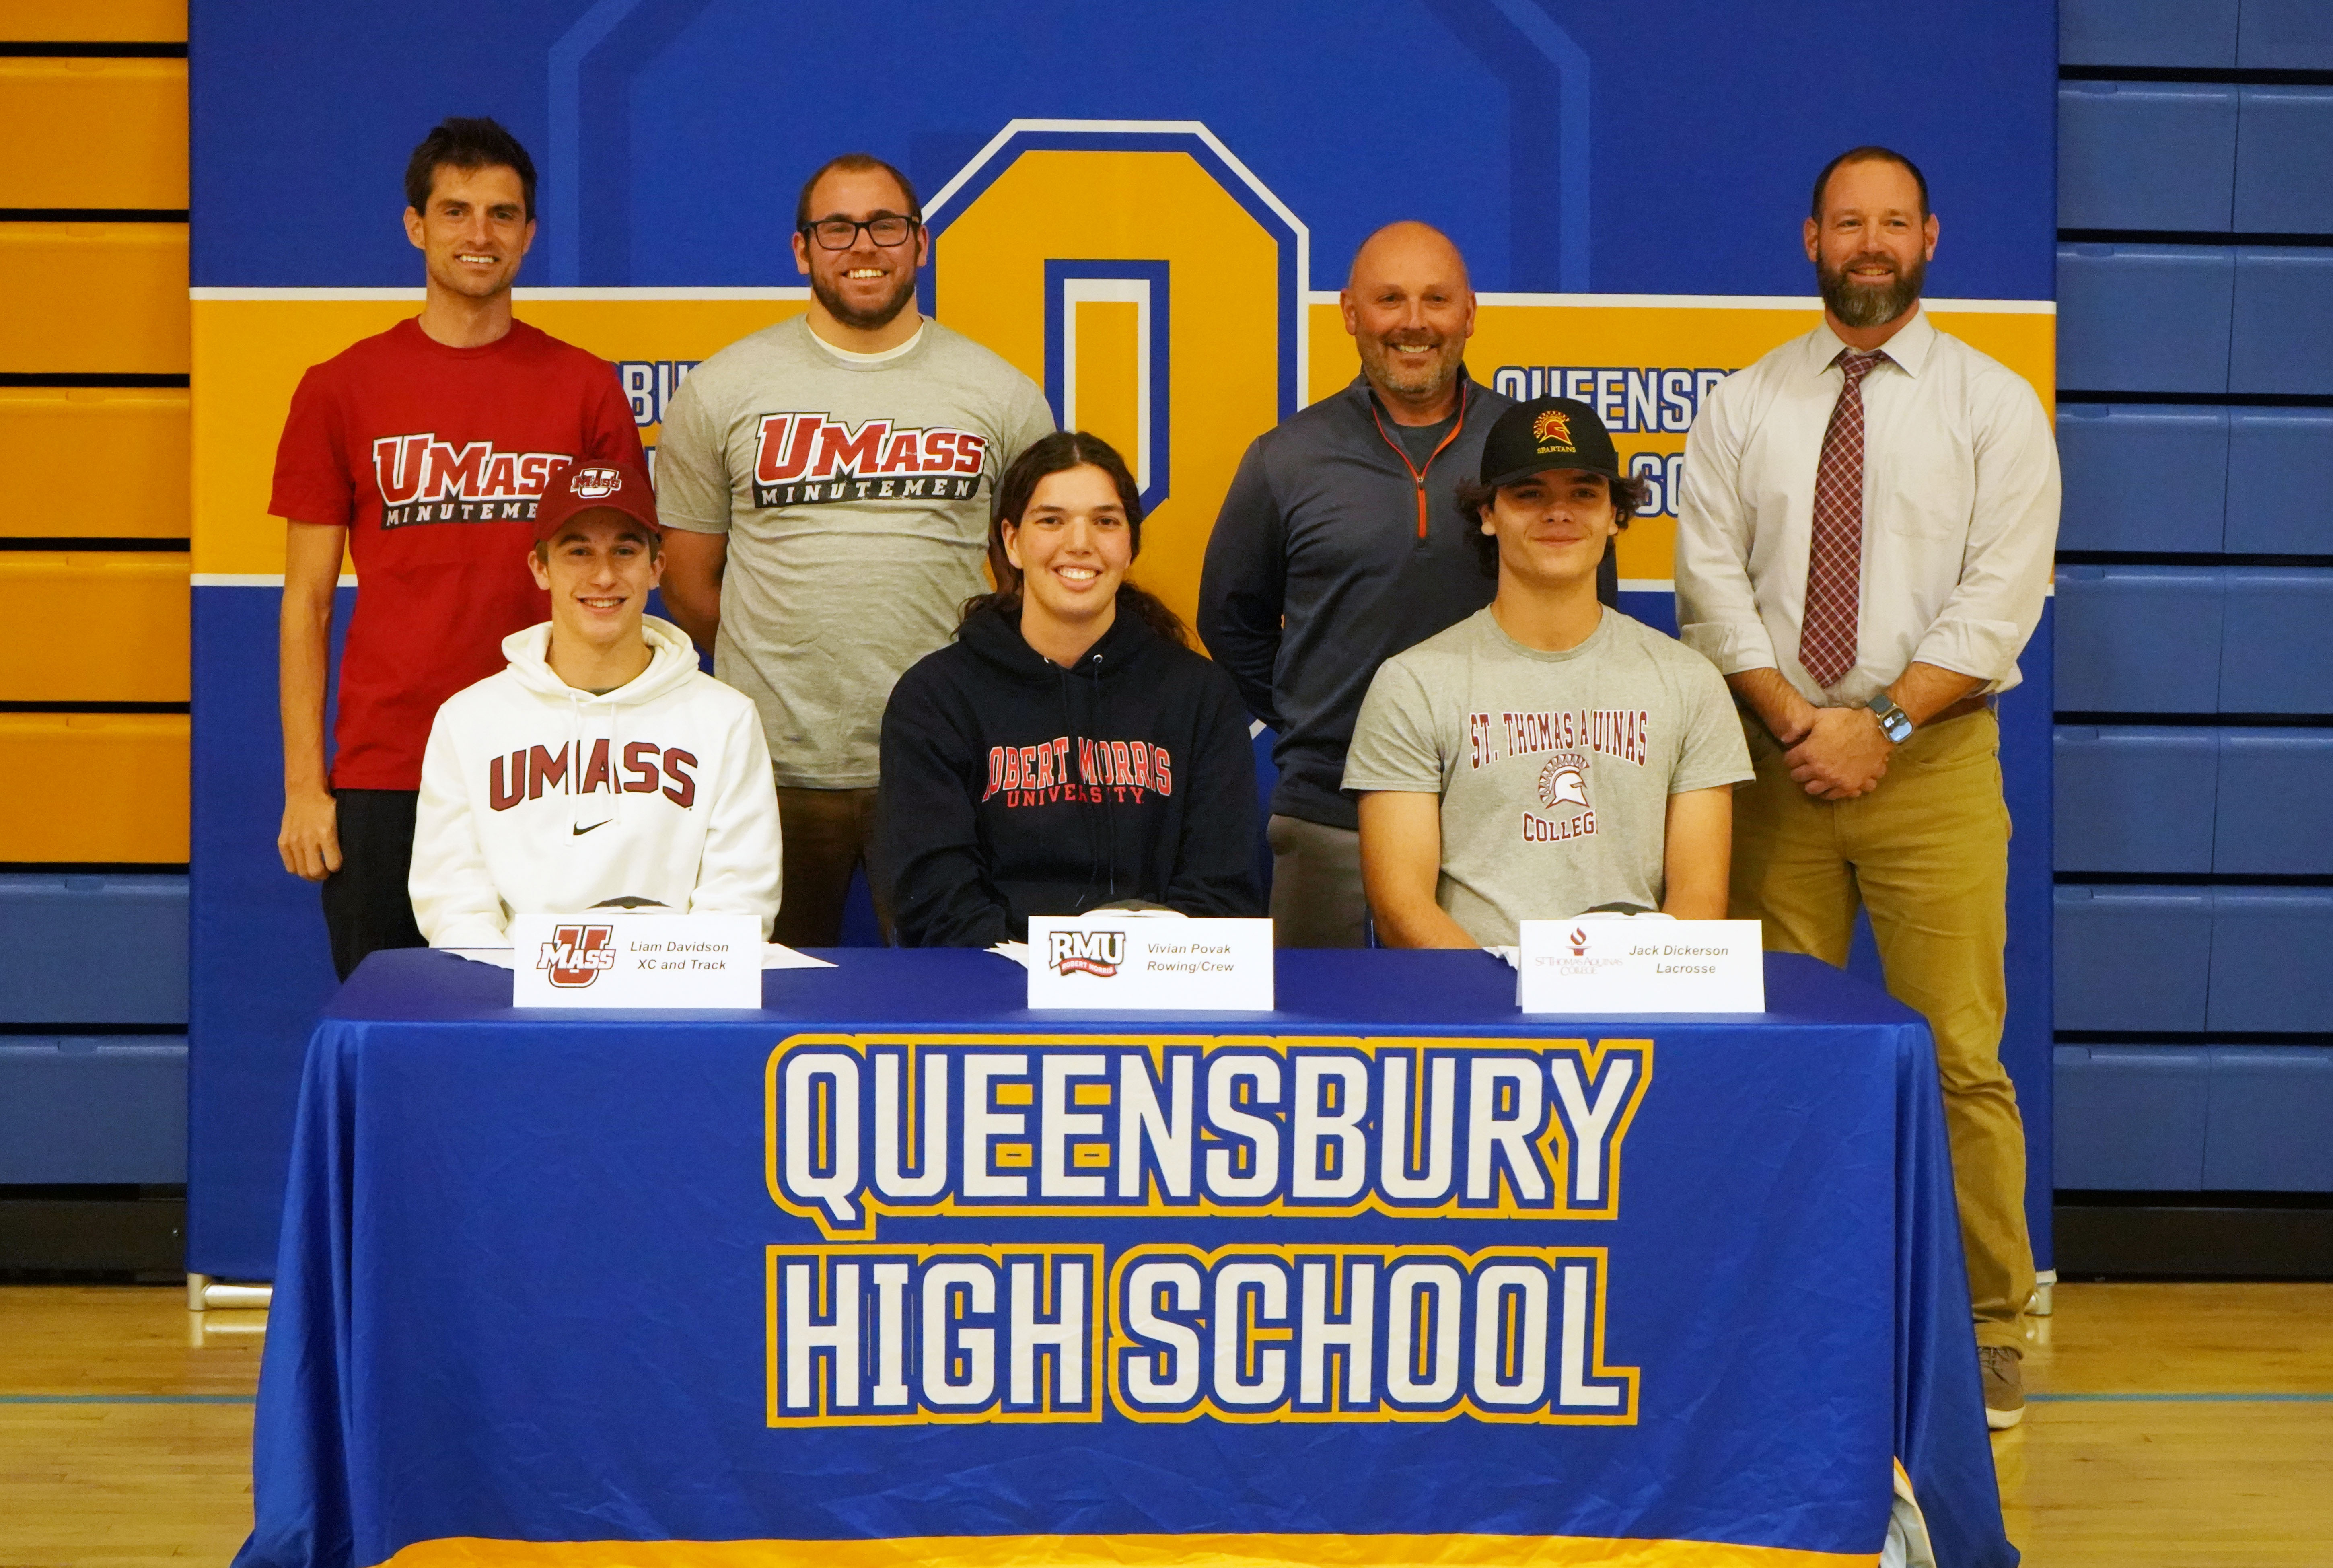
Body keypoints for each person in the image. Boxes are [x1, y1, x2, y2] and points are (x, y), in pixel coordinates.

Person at [1673, 146, 2060, 1429]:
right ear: (1810, 239)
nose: (1871, 242)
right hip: (1776, 763)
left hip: (1933, 762)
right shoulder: (1745, 405)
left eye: (1893, 222)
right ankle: (1787, 1312)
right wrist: (1799, 720)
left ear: (1930, 239)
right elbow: (1708, 581)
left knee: (1957, 1055)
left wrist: (1881, 721)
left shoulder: (1994, 405)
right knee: (1779, 1048)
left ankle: (1993, 1326)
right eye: (1849, 222)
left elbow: (2001, 596)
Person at [271, 116, 646, 979]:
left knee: (555, 1028)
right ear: (416, 226)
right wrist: (304, 784)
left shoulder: (584, 387)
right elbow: (307, 601)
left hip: (555, 760)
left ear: (530, 234)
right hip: (388, 764)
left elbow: (619, 585)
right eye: (456, 211)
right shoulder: (340, 388)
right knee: (398, 1028)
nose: (480, 235)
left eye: (503, 215)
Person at [655, 151, 1056, 947]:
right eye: (836, 228)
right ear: (802, 249)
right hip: (765, 769)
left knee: (949, 1008)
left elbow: (1034, 587)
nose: (862, 246)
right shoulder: (723, 389)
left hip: (943, 763)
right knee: (758, 1008)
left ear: (921, 242)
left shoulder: (1000, 393)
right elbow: (693, 588)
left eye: (884, 225)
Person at [1202, 222, 1607, 948]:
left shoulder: (1529, 453)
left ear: (1471, 313)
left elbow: (1583, 611)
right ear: (1351, 314)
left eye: (1436, 299)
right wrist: (1316, 714)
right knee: (1320, 1042)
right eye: (1390, 299)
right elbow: (1231, 621)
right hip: (1331, 811)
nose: (1414, 322)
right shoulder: (1286, 458)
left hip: (1508, 810)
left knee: (1490, 1043)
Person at [1345, 399, 1748, 947]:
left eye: (1584, 493)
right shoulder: (1414, 684)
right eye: (1529, 494)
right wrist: (1504, 1004)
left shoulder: (1689, 683)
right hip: (1474, 1011)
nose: (1559, 512)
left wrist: (1632, 993)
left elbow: (1699, 900)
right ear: (1488, 514)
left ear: (1616, 515)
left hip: (1632, 1004)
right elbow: (1401, 905)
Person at [877, 432, 1261, 947]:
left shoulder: (1198, 694)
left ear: (1130, 545)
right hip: (994, 993)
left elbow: (1222, 892)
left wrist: (1128, 968)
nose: (1079, 543)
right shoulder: (935, 697)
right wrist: (1045, 973)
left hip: (1157, 991)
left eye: (1105, 522)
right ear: (1011, 542)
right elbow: (937, 900)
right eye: (1051, 520)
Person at [408, 461, 782, 947]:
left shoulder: (726, 718)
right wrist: (521, 992)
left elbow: (739, 899)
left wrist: (670, 983)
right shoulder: (469, 720)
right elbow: (452, 899)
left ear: (655, 569)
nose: (604, 575)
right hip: (517, 1000)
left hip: (675, 998)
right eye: (578, 551)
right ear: (540, 569)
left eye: (624, 551)